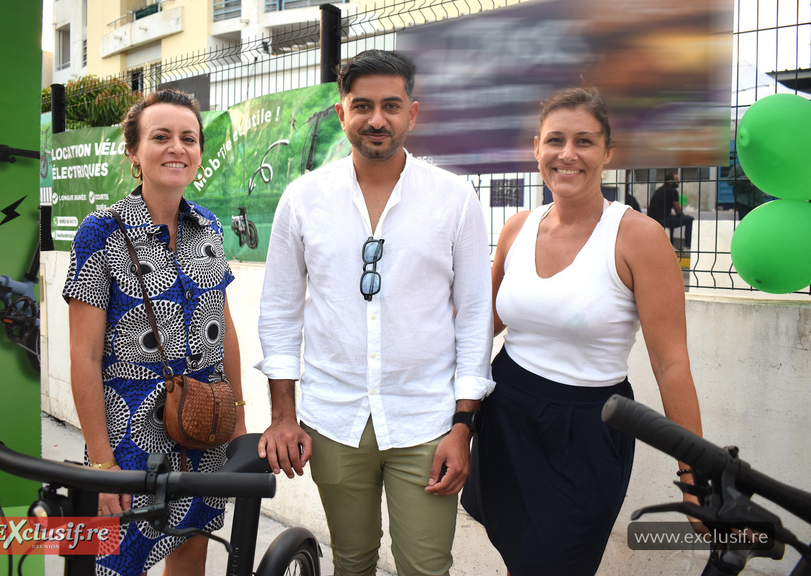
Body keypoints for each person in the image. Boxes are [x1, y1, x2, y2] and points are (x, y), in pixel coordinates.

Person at [255, 49, 494, 576]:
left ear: (414, 112)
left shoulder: (454, 198)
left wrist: (462, 426)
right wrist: (282, 416)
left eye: (391, 105)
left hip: (427, 421)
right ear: (342, 113)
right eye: (362, 105)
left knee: (426, 567)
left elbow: (476, 313)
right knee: (353, 561)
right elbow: (279, 311)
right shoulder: (302, 199)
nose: (377, 119)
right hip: (334, 420)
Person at [461, 87, 703, 576]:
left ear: (607, 154)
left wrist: (693, 472)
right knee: (519, 554)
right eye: (555, 140)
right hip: (505, 414)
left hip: (587, 432)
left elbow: (671, 363)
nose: (567, 154)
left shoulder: (638, 236)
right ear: (536, 149)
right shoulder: (517, 228)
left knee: (556, 563)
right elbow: (481, 327)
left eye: (585, 142)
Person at [63, 88, 246, 576]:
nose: (176, 148)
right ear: (134, 153)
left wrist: (240, 426)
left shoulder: (207, 226)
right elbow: (83, 357)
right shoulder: (100, 230)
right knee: (114, 563)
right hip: (128, 437)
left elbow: (222, 327)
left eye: (188, 138)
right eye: (161, 136)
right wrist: (102, 465)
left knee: (192, 543)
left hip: (204, 422)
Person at [646, 171, 694, 249]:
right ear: (670, 181)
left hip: (653, 220)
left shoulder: (660, 189)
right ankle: (687, 246)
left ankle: (670, 246)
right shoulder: (673, 191)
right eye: (676, 180)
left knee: (672, 221)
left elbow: (660, 209)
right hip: (663, 220)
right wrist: (682, 215)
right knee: (690, 220)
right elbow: (678, 211)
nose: (678, 182)